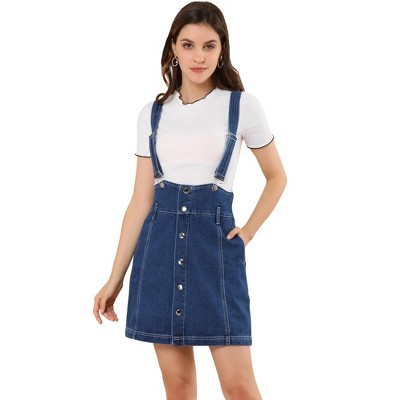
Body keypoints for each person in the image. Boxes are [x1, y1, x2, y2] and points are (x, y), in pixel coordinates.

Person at [93, 2, 287, 399]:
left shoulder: (241, 106)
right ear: (173, 49)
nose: (199, 57)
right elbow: (140, 201)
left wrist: (248, 232)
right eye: (188, 45)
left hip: (215, 252)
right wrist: (116, 277)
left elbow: (277, 177)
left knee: (239, 386)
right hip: (159, 251)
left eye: (209, 46)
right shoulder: (152, 114)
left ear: (222, 49)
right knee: (178, 386)